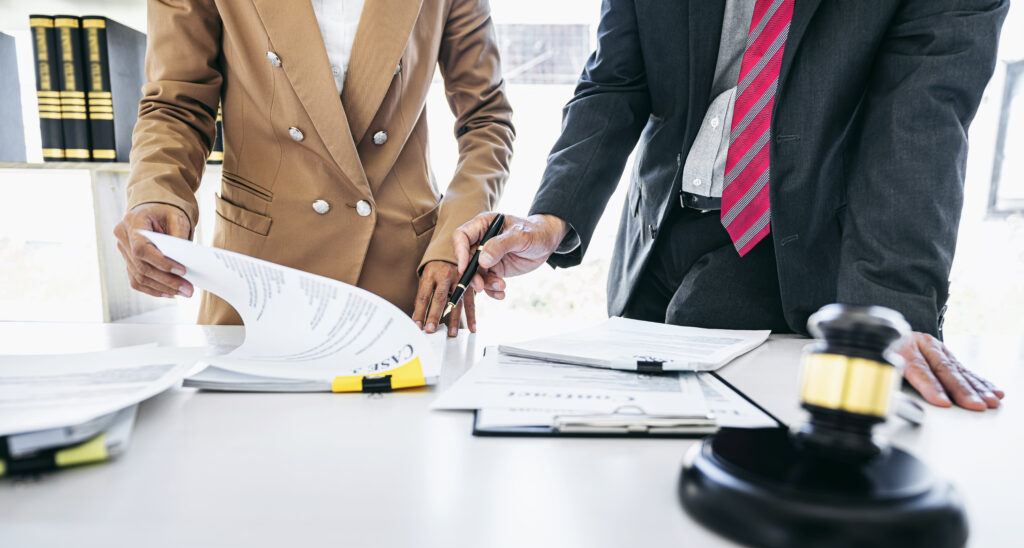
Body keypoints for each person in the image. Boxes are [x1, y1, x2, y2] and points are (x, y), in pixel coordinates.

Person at [454, 0, 1007, 410]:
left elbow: (918, 127)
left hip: (804, 258)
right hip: (657, 239)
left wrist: (890, 313)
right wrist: (553, 219)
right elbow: (615, 79)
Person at [114, 0, 514, 337]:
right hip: (259, 277)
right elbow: (176, 104)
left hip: (404, 282)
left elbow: (487, 119)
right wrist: (158, 192)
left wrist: (454, 240)